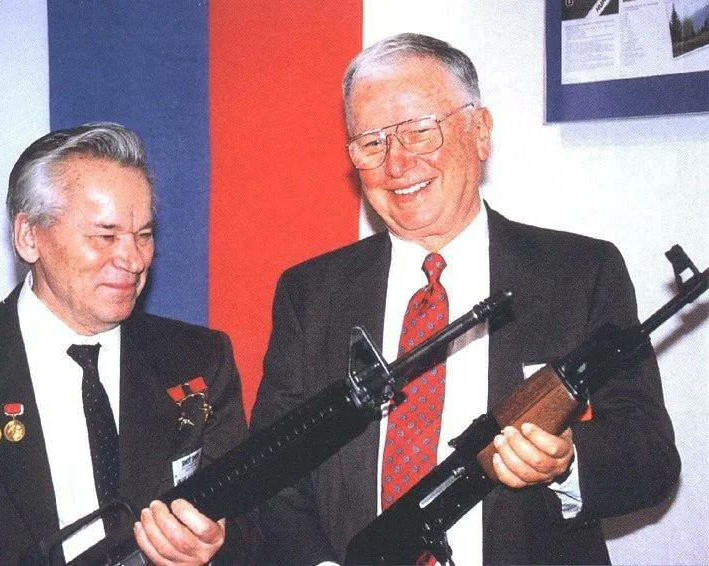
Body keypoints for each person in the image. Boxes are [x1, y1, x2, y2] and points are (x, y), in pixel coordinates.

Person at [251, 33, 680, 564]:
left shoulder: (580, 273)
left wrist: (567, 462)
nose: (397, 164)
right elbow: (271, 472)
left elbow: (651, 459)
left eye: (419, 132)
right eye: (372, 143)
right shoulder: (311, 294)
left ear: (480, 132)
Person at [0, 123, 250, 565]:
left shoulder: (198, 360)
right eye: (105, 236)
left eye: (144, 235)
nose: (133, 259)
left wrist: (213, 546)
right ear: (29, 237)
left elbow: (249, 524)